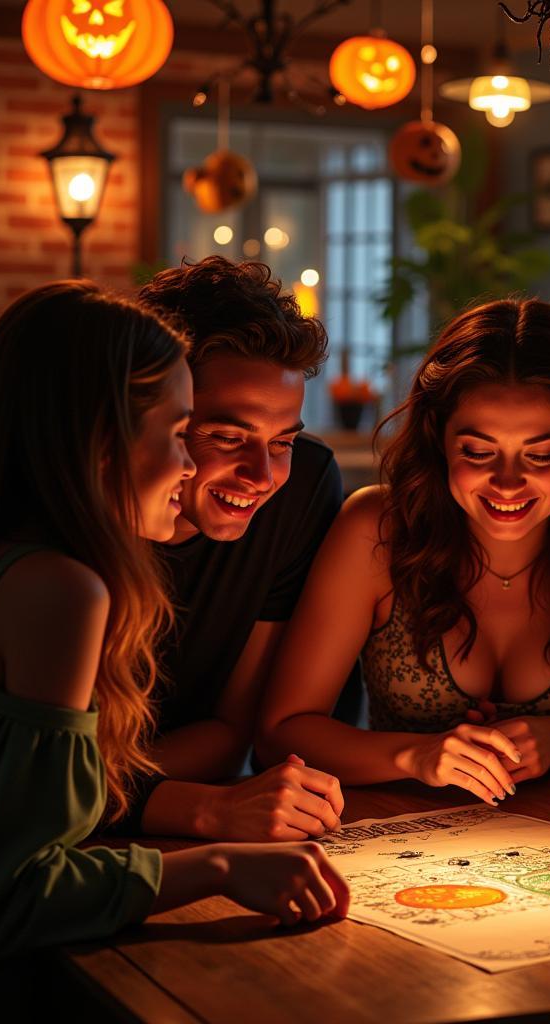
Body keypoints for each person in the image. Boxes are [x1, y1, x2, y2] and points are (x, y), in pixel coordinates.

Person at [0, 282, 348, 959]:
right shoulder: (62, 590)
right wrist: (219, 863)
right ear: (101, 438)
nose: (185, 466)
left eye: (284, 441)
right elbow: (10, 891)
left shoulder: (24, 564)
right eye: (191, 434)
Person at [257, 298, 550, 803]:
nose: (508, 483)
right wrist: (417, 755)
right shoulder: (379, 529)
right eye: (478, 452)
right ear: (439, 435)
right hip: (396, 835)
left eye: (542, 455)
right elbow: (281, 734)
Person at [116, 257, 349, 842]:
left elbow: (231, 729)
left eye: (282, 443)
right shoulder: (67, 540)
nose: (261, 475)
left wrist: (101, 791)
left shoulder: (303, 488)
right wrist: (196, 808)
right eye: (227, 437)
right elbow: (27, 782)